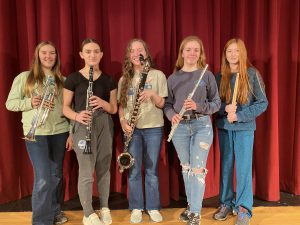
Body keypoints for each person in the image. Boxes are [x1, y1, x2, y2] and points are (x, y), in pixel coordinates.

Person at [6, 41, 71, 225]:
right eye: (44, 53)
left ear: (56, 56)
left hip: (60, 131)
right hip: (36, 133)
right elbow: (10, 104)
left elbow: (68, 108)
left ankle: (55, 212)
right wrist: (30, 103)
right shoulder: (24, 77)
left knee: (57, 174)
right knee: (43, 177)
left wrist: (72, 133)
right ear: (37, 55)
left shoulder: (63, 80)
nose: (48, 56)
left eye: (52, 53)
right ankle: (41, 221)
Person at [164, 36, 221, 225]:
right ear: (182, 53)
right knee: (187, 168)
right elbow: (168, 105)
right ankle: (191, 207)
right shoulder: (173, 78)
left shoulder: (207, 75)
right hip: (180, 127)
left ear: (200, 53)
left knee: (197, 169)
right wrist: (171, 114)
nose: (192, 53)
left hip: (201, 125)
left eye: (196, 50)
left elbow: (216, 104)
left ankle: (195, 213)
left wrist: (198, 105)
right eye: (188, 49)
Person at [213, 38, 268, 225]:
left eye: (236, 51)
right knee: (226, 167)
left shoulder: (252, 74)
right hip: (224, 128)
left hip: (244, 129)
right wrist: (224, 109)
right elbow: (214, 104)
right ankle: (226, 203)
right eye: (229, 51)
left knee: (243, 168)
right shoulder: (219, 76)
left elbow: (263, 103)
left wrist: (240, 116)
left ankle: (244, 208)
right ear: (225, 54)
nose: (233, 55)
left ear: (242, 53)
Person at [62, 38, 117, 225]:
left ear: (101, 54)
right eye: (88, 51)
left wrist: (102, 103)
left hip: (104, 123)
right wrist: (77, 117)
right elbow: (65, 108)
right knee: (86, 171)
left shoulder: (109, 79)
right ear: (81, 54)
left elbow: (114, 109)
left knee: (103, 169)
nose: (92, 54)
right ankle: (88, 213)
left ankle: (104, 207)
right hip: (82, 124)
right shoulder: (73, 78)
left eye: (96, 51)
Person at [118, 38, 167, 223]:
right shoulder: (125, 78)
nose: (136, 53)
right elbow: (121, 106)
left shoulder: (158, 75)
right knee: (134, 169)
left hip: (153, 127)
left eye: (140, 49)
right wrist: (123, 122)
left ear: (146, 54)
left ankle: (153, 207)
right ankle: (137, 207)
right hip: (133, 129)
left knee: (152, 169)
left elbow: (163, 104)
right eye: (132, 50)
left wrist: (153, 94)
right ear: (129, 56)